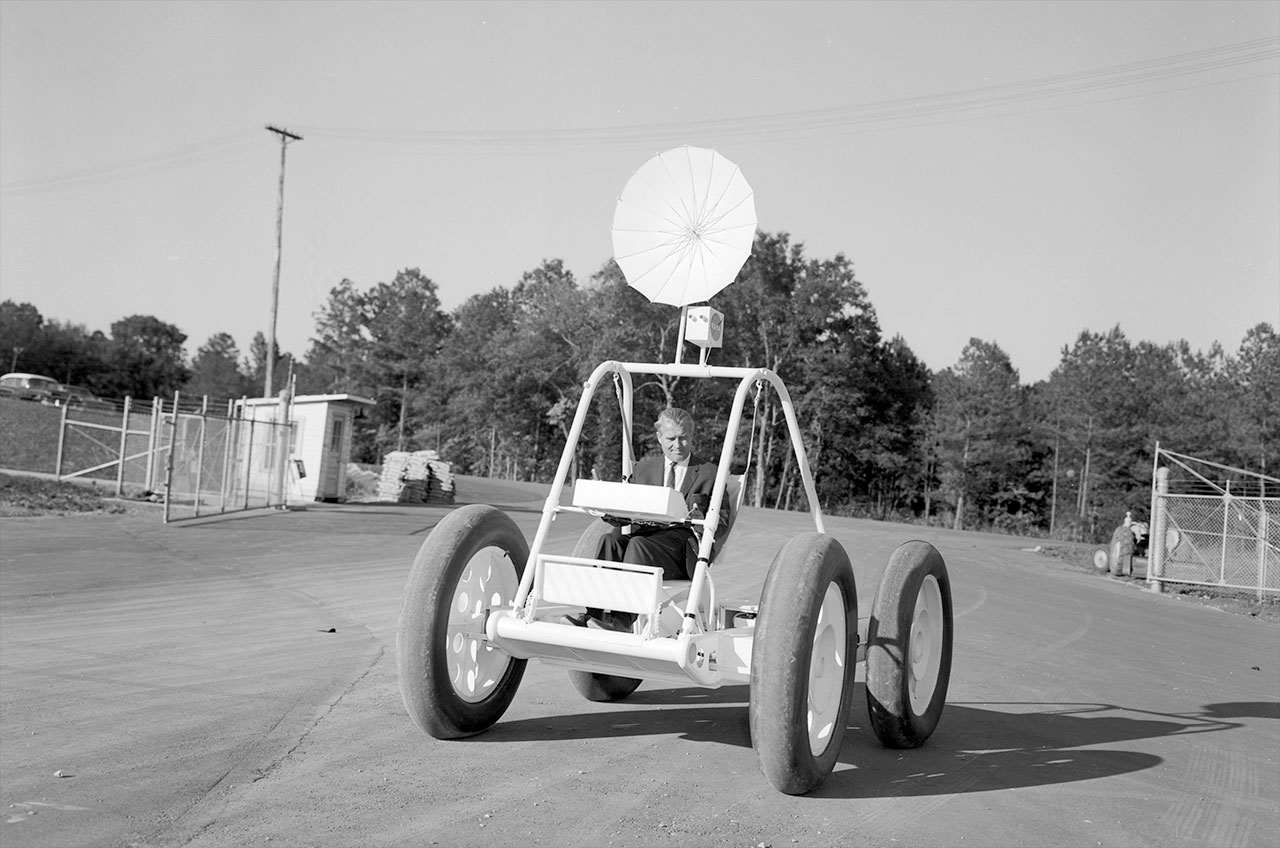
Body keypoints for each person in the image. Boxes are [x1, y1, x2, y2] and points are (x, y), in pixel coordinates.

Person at [563, 407, 730, 632]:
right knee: (610, 541)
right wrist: (607, 507)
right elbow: (624, 513)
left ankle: (621, 621)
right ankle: (593, 615)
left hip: (682, 549)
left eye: (684, 438)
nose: (678, 445)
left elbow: (722, 524)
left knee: (637, 544)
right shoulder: (643, 470)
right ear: (659, 438)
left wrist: (702, 521)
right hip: (645, 537)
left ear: (692, 436)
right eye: (671, 439)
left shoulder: (710, 474)